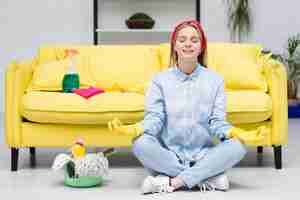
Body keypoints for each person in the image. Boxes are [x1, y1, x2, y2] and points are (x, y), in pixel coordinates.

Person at [108, 19, 267, 194]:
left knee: (238, 145)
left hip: (202, 156)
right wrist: (135, 129)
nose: (188, 44)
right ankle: (206, 178)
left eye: (194, 40)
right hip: (169, 155)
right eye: (182, 40)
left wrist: (238, 133)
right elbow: (155, 119)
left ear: (201, 47)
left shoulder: (215, 80)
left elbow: (217, 123)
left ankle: (171, 182)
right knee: (140, 143)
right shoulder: (159, 80)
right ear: (174, 46)